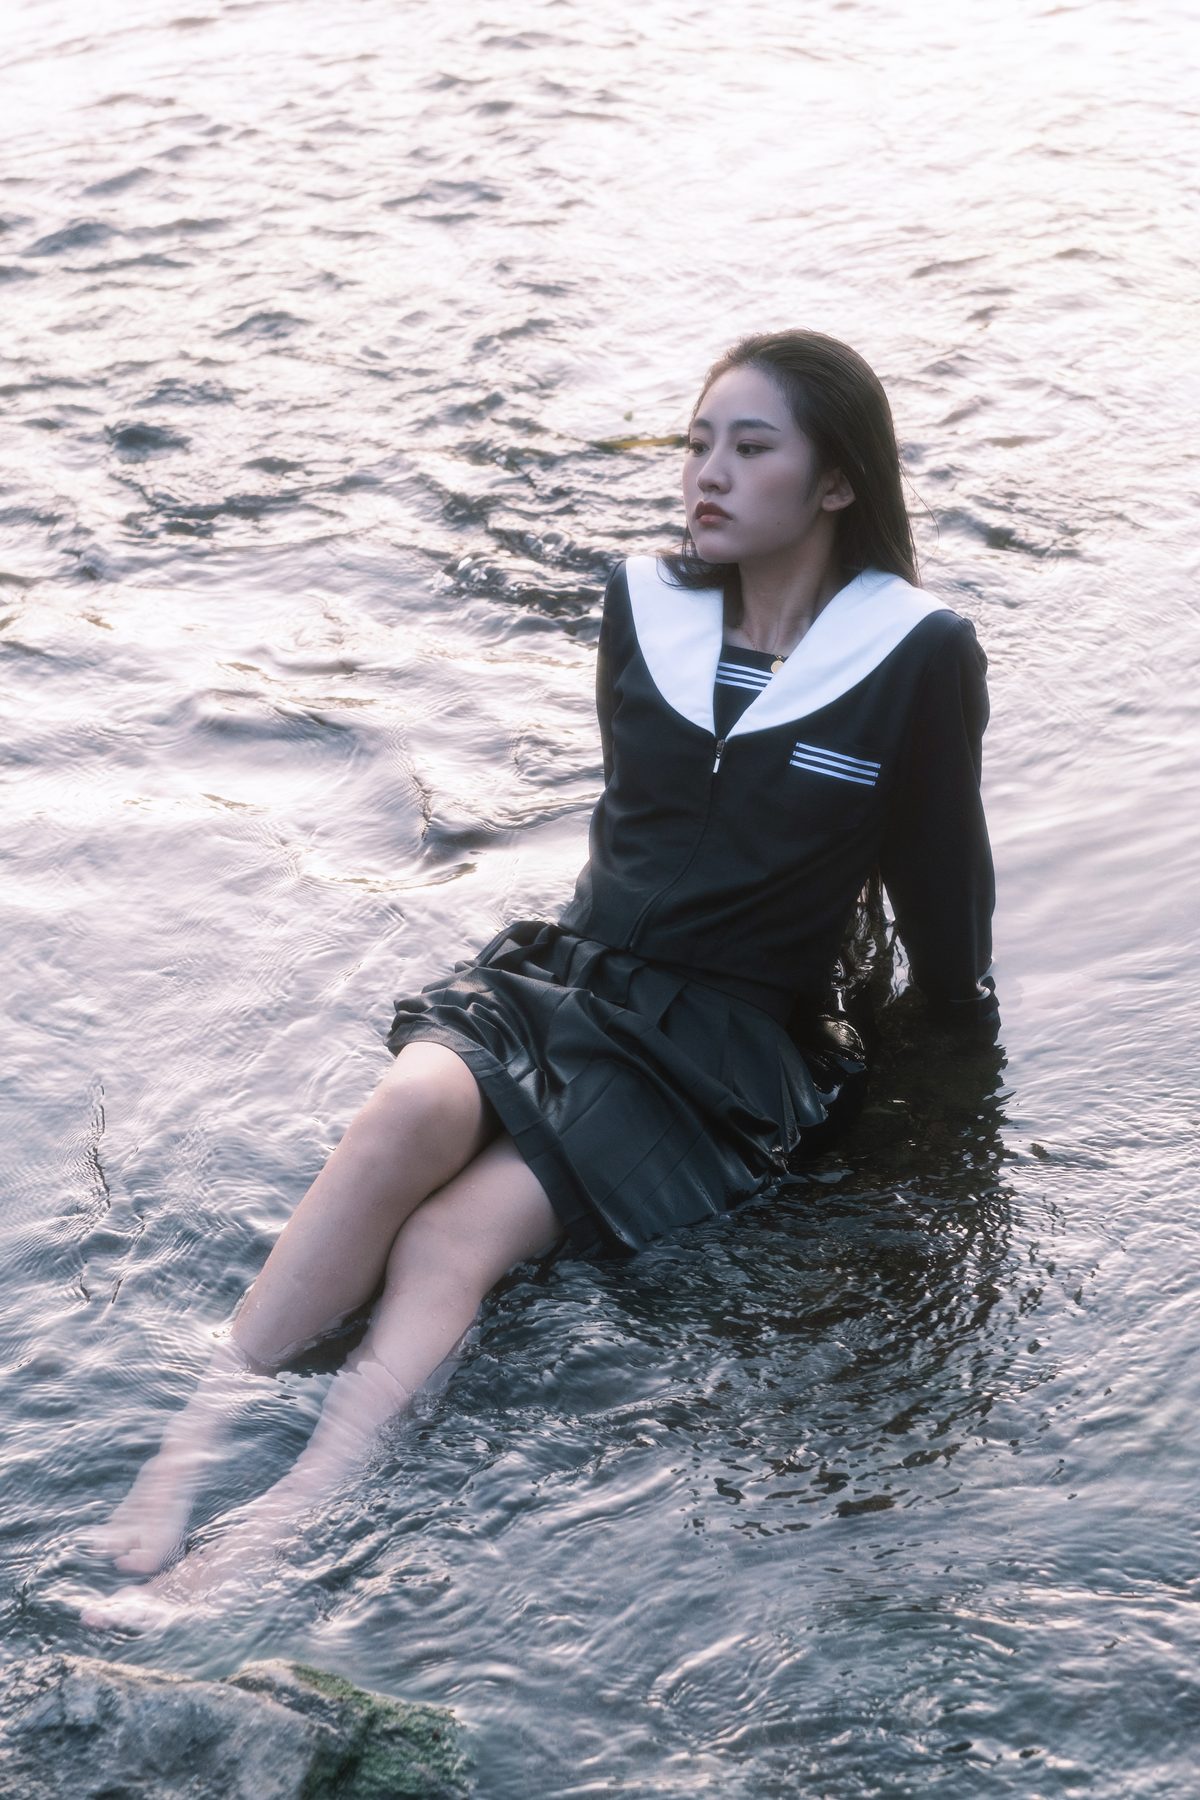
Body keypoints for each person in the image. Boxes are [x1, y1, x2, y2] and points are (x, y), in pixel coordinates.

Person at [85, 329, 996, 1623]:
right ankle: (188, 1448)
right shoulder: (647, 606)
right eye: (698, 443)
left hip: (722, 1046)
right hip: (570, 976)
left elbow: (946, 890)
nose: (709, 473)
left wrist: (952, 1064)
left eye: (751, 448)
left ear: (838, 481)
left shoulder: (913, 653)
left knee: (453, 1237)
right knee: (404, 1109)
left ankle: (288, 1519)